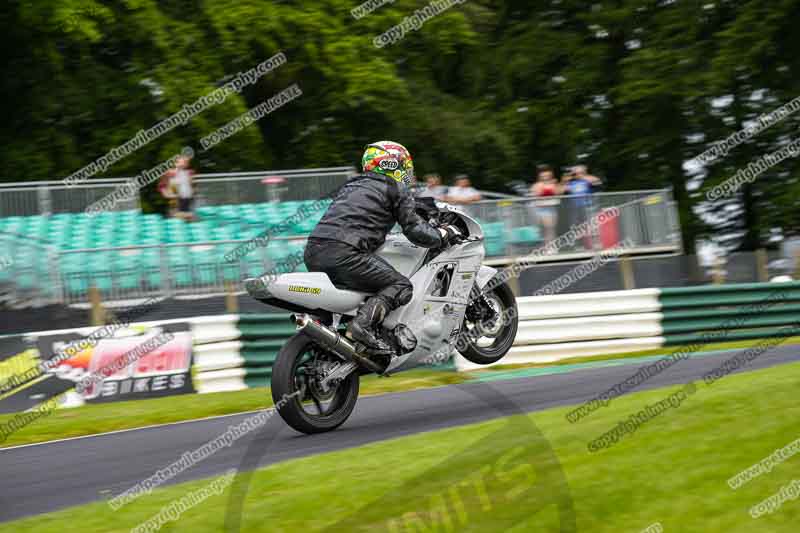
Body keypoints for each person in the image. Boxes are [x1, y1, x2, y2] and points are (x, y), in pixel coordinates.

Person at [304, 141, 462, 353]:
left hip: (313, 251)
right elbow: (415, 230)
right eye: (404, 165)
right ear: (391, 164)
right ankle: (362, 326)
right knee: (401, 286)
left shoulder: (351, 186)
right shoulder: (395, 187)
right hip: (346, 252)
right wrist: (442, 235)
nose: (407, 171)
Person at [529, 165, 561, 246]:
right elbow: (535, 194)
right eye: (543, 175)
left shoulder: (553, 184)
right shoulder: (537, 185)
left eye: (547, 175)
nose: (545, 177)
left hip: (551, 208)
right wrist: (543, 186)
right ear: (540, 176)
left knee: (551, 228)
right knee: (544, 228)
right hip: (541, 209)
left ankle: (551, 246)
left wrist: (555, 184)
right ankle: (546, 246)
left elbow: (558, 193)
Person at [169, 155, 196, 221]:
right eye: (183, 162)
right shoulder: (173, 173)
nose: (185, 163)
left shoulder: (187, 173)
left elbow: (191, 184)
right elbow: (172, 186)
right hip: (180, 197)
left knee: (185, 215)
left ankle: (189, 216)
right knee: (179, 215)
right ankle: (189, 216)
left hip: (186, 197)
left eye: (185, 162)